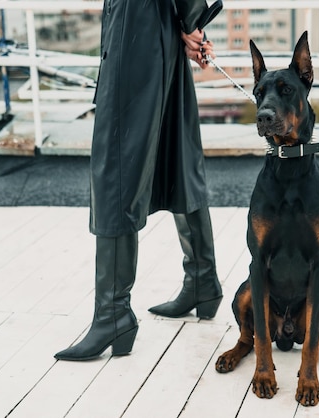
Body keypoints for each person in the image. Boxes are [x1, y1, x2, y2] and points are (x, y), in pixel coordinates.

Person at [54, 0, 223, 361]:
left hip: (136, 28)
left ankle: (113, 313)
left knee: (115, 169)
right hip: (159, 28)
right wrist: (188, 24)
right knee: (178, 155)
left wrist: (190, 23)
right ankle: (202, 281)